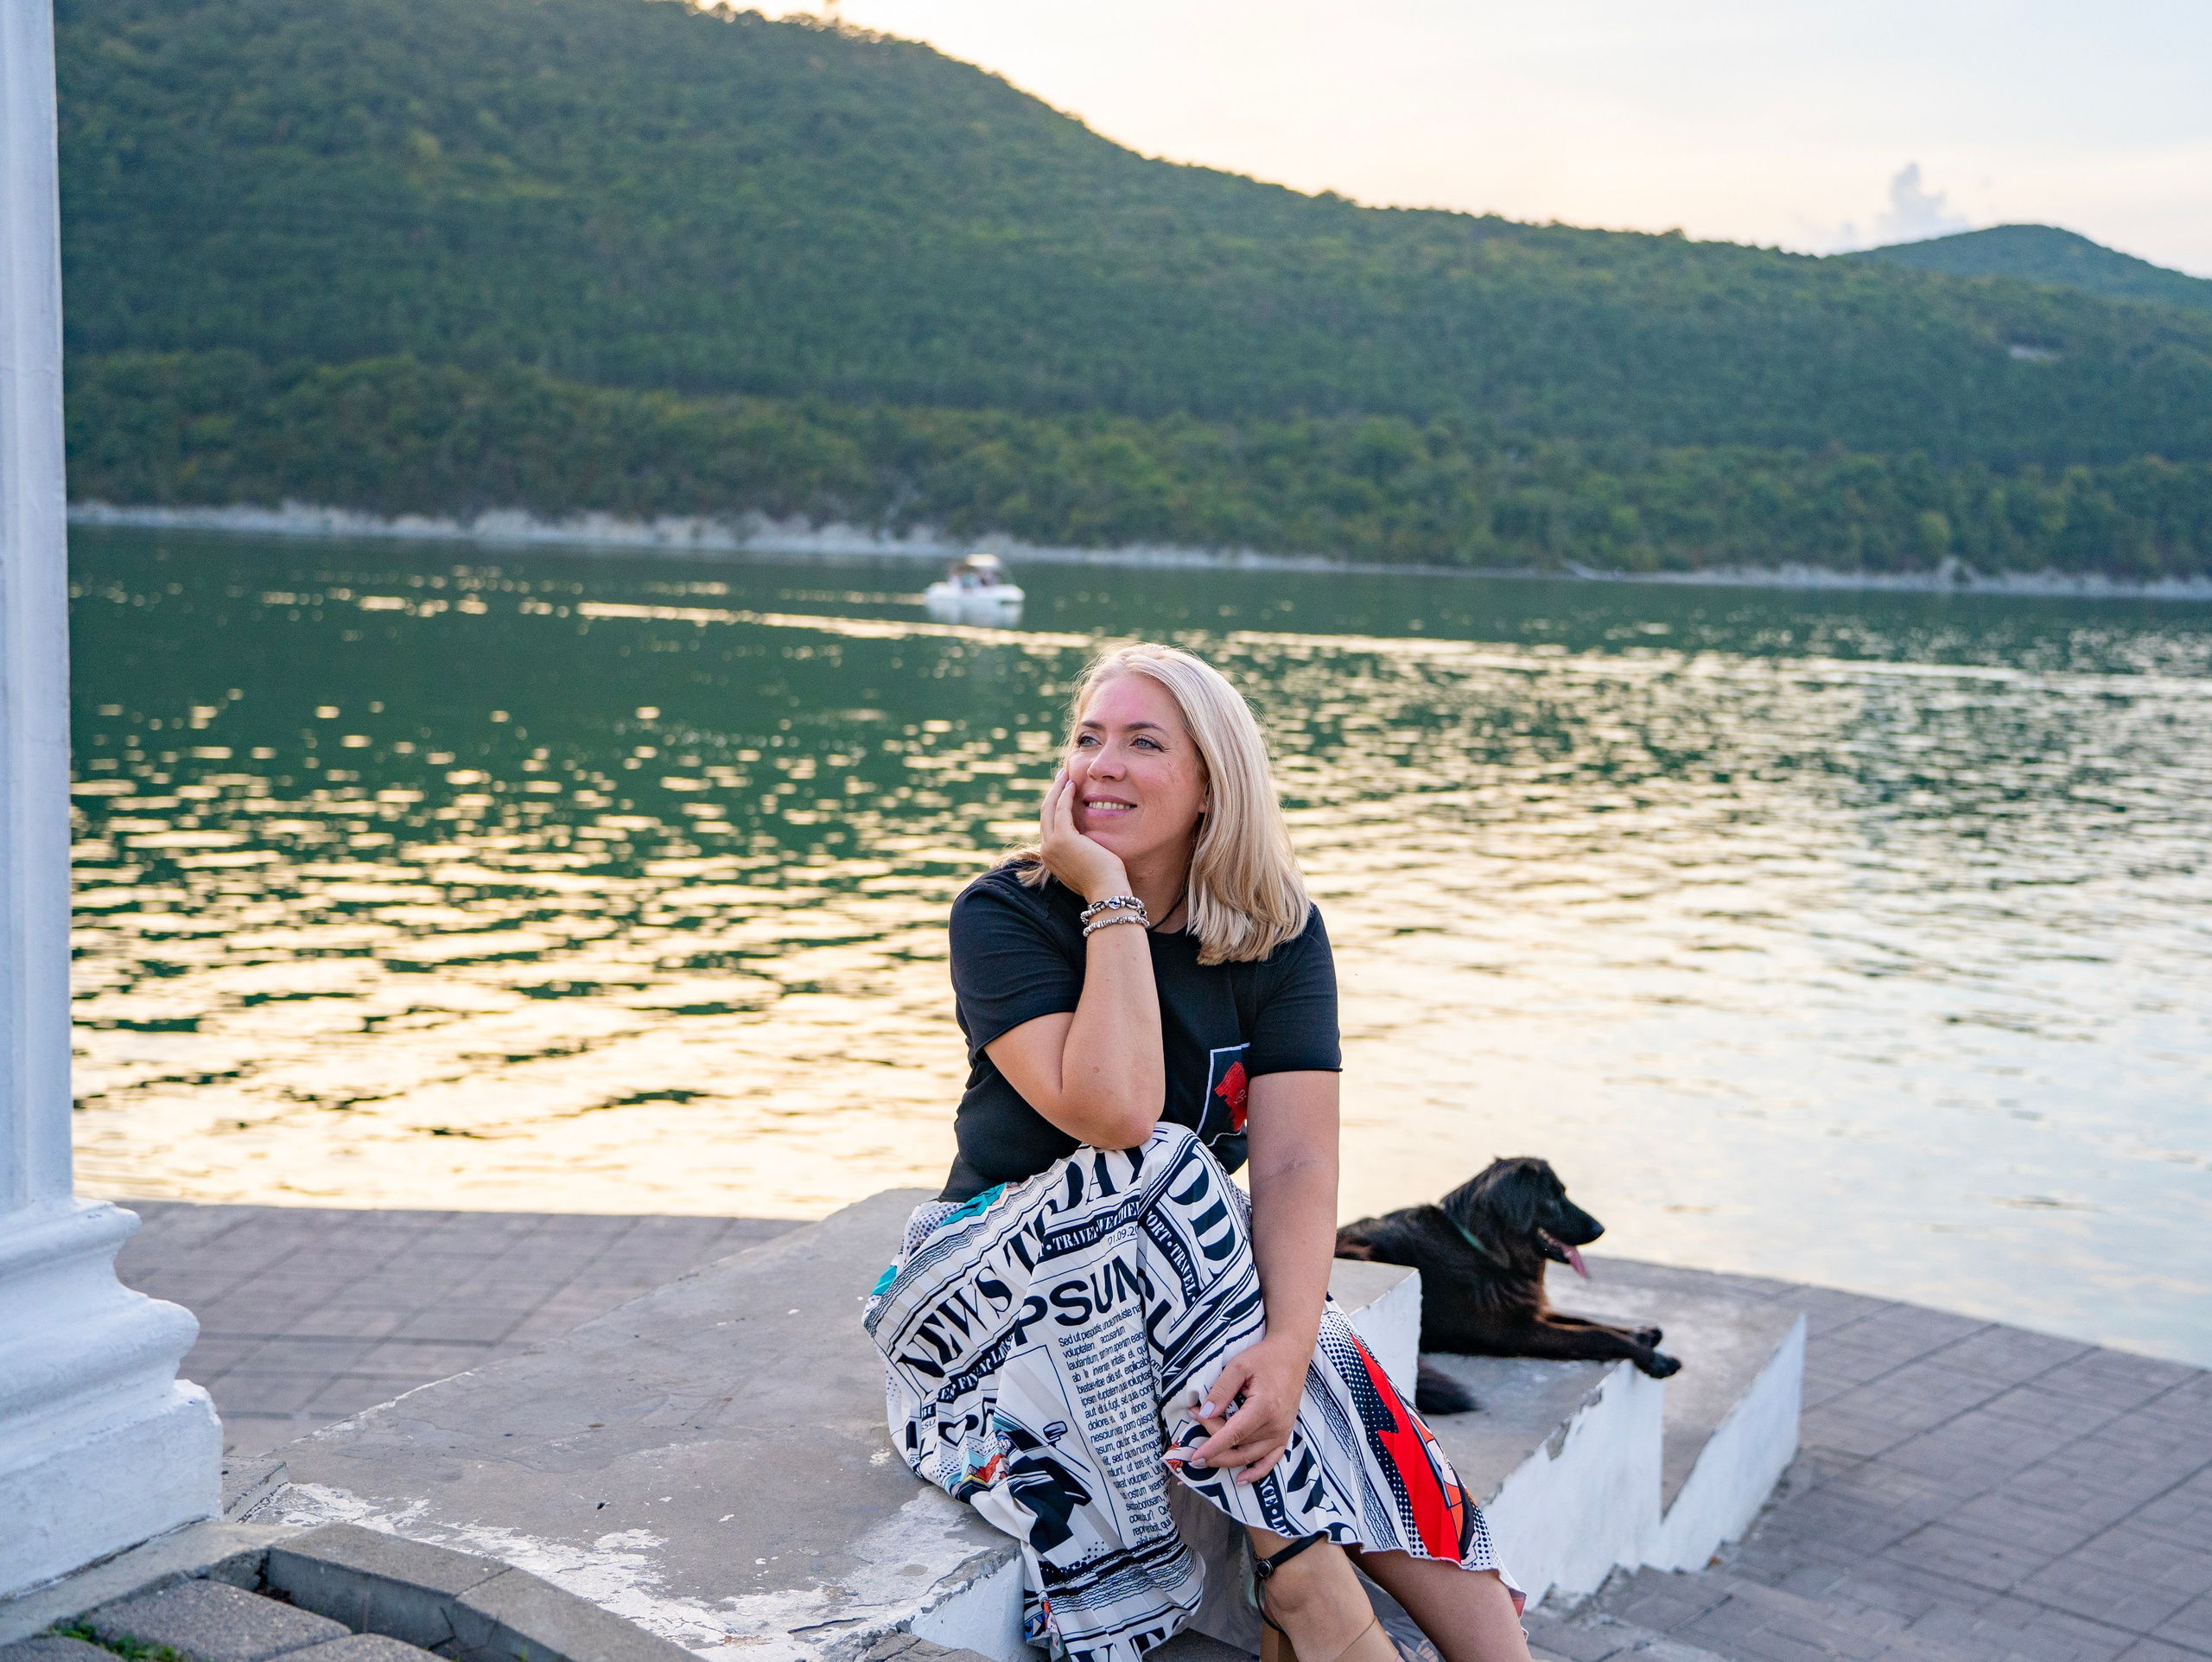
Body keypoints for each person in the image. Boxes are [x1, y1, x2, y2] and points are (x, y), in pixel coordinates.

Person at [864, 644, 1529, 1662]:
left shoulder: (1277, 933)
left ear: (1213, 782)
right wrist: (1109, 897)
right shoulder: (1005, 913)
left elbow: (1298, 1166)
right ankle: (1303, 1584)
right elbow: (1118, 1117)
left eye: (1142, 743)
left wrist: (1287, 1348)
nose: (1101, 765)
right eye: (1087, 739)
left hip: (1170, 1297)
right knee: (1170, 1166)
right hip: (981, 1301)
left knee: (1318, 1355)